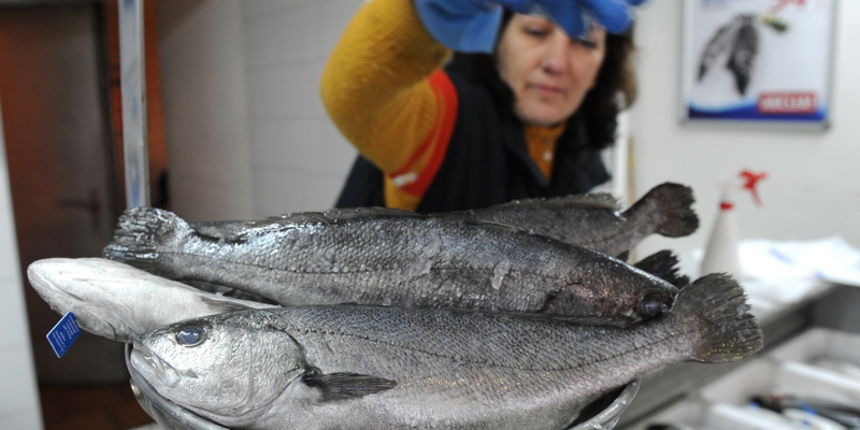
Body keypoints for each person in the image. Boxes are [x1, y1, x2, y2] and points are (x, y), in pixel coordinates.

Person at [321, 0, 644, 213]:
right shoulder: (442, 113)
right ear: (497, 45)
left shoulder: (580, 150)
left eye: (585, 41)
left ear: (601, 69)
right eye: (534, 31)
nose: (556, 63)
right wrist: (424, 10)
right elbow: (355, 94)